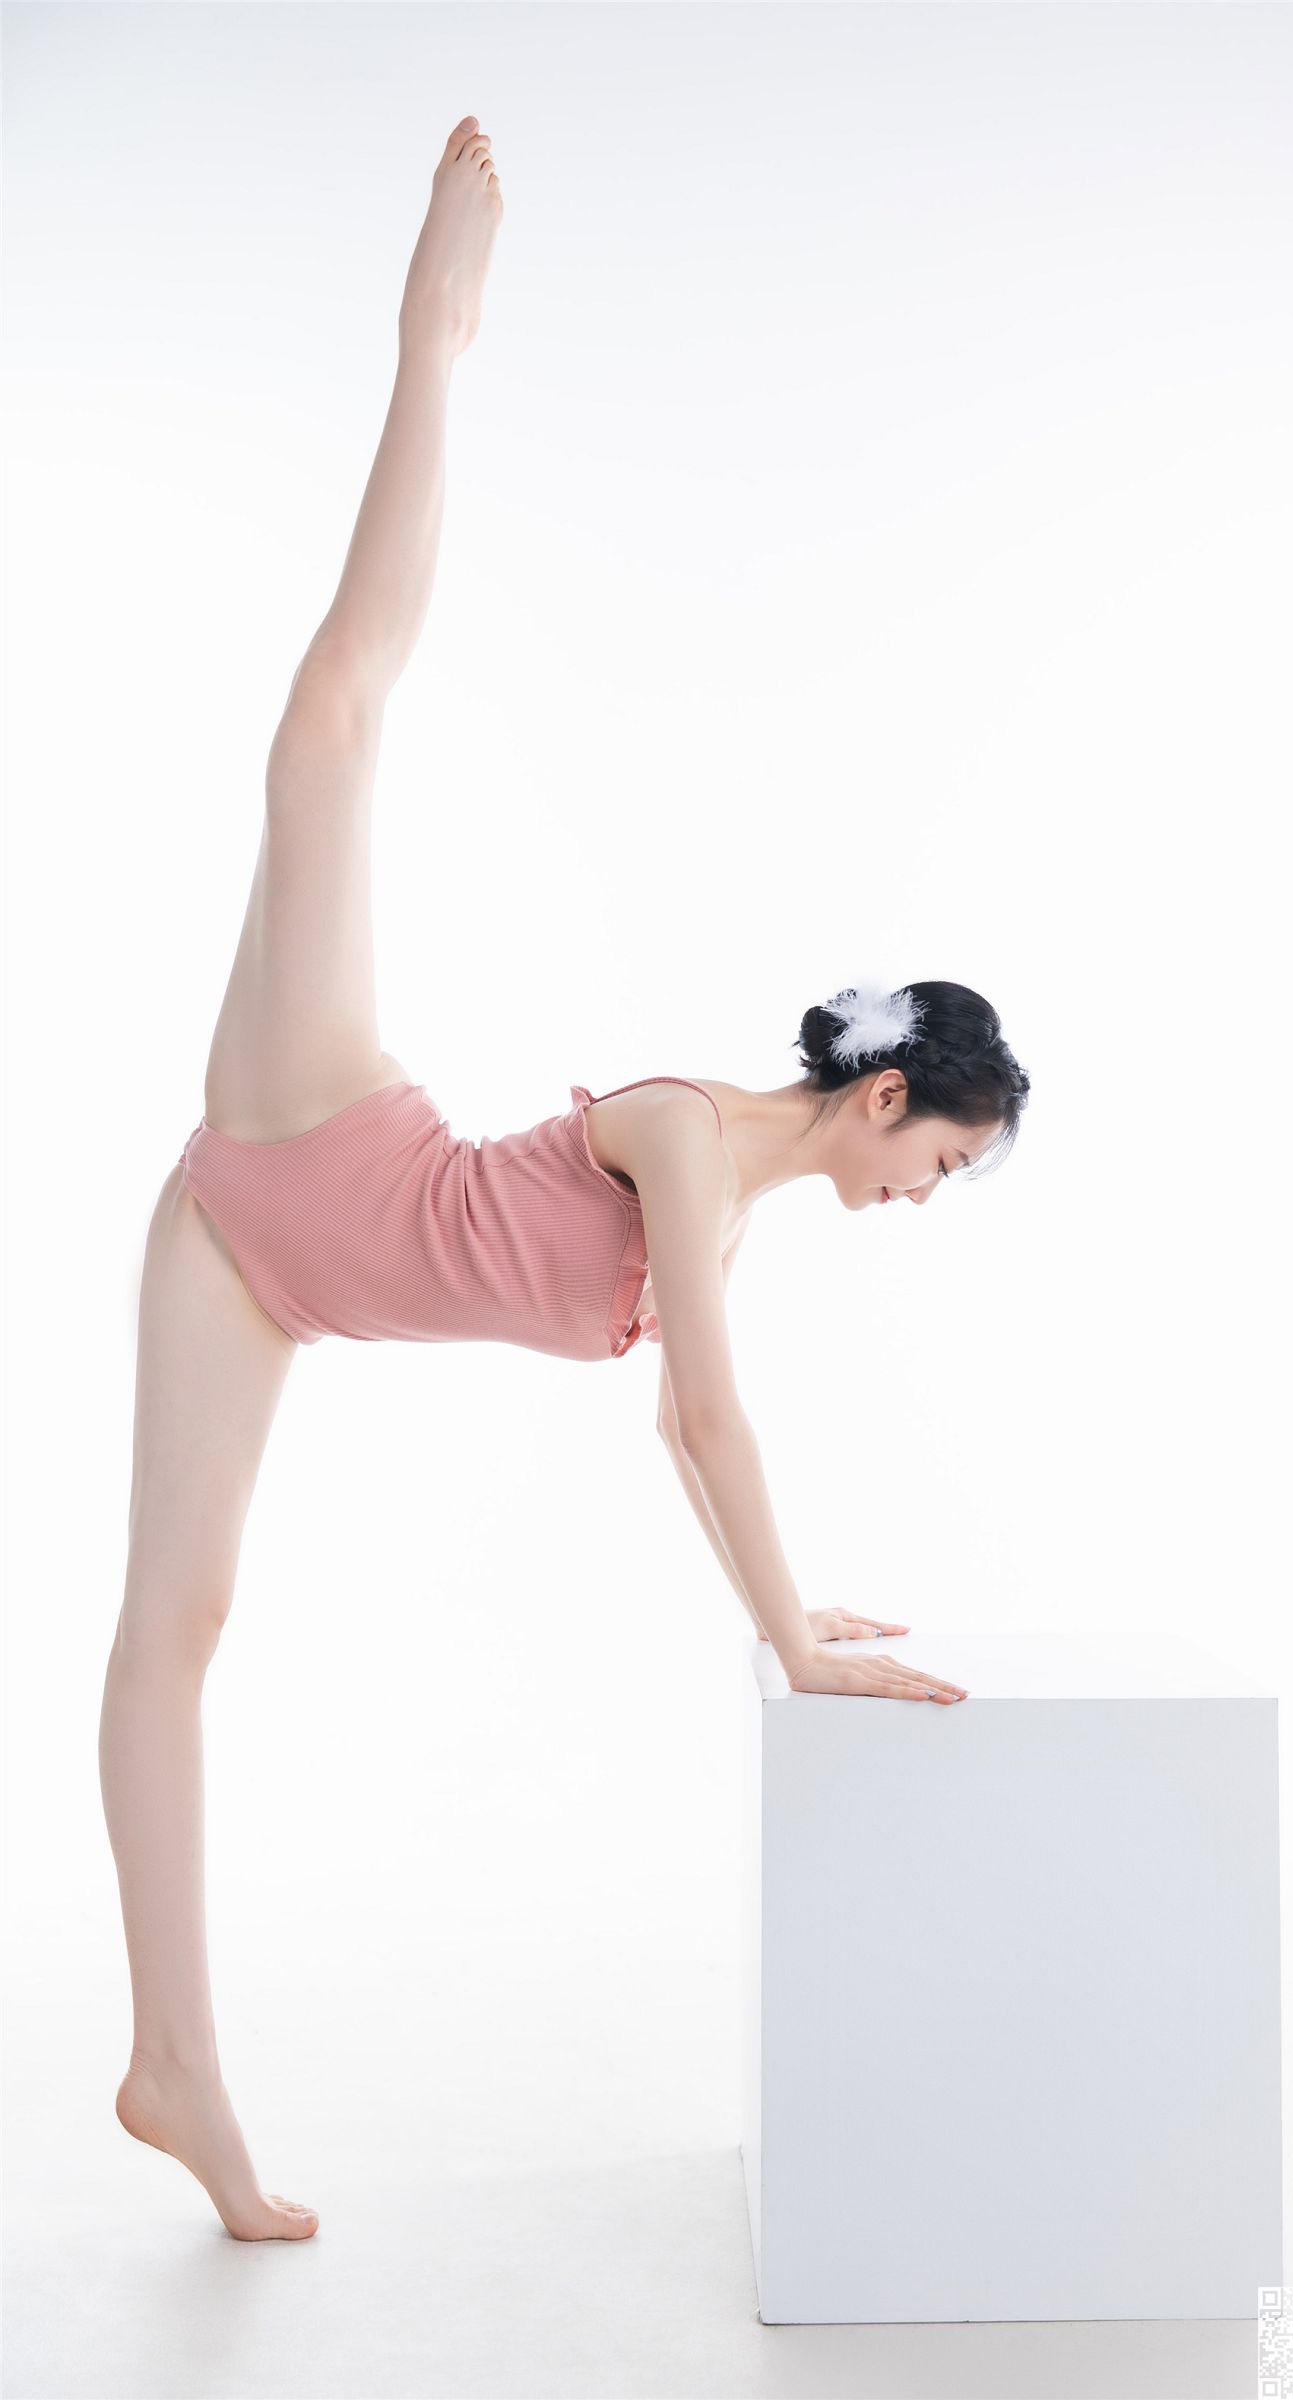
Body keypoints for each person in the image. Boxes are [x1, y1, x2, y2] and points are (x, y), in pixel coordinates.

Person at [97, 115, 1032, 2244]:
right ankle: (436, 324)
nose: (928, 1198)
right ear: (889, 1097)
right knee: (331, 724)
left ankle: (171, 2065)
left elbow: (691, 1445)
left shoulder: (732, 1210)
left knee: (182, 1622)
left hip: (260, 1269)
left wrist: (792, 1602)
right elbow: (705, 1415)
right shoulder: (692, 1138)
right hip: (314, 1134)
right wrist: (793, 1640)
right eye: (946, 1161)